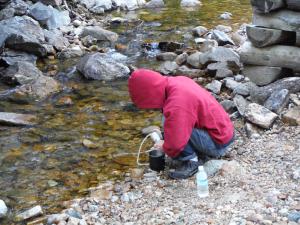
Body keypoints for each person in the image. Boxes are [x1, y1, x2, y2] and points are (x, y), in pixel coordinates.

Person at [128, 69, 234, 179]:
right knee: (170, 118)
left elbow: (176, 141)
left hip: (218, 144)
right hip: (224, 131)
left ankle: (192, 162)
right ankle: (193, 151)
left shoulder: (177, 103)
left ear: (150, 93)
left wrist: (165, 146)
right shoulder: (175, 82)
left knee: (175, 128)